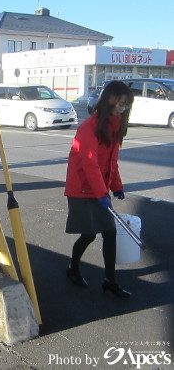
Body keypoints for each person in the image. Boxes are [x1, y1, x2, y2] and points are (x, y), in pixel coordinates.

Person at [64, 80, 134, 298]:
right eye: (120, 103)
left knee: (110, 233)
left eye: (126, 104)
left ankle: (109, 280)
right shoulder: (89, 128)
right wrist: (103, 193)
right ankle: (72, 268)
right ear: (108, 100)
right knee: (89, 235)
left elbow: (111, 161)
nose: (123, 108)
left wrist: (116, 185)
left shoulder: (115, 125)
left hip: (100, 188)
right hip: (83, 188)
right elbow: (90, 163)